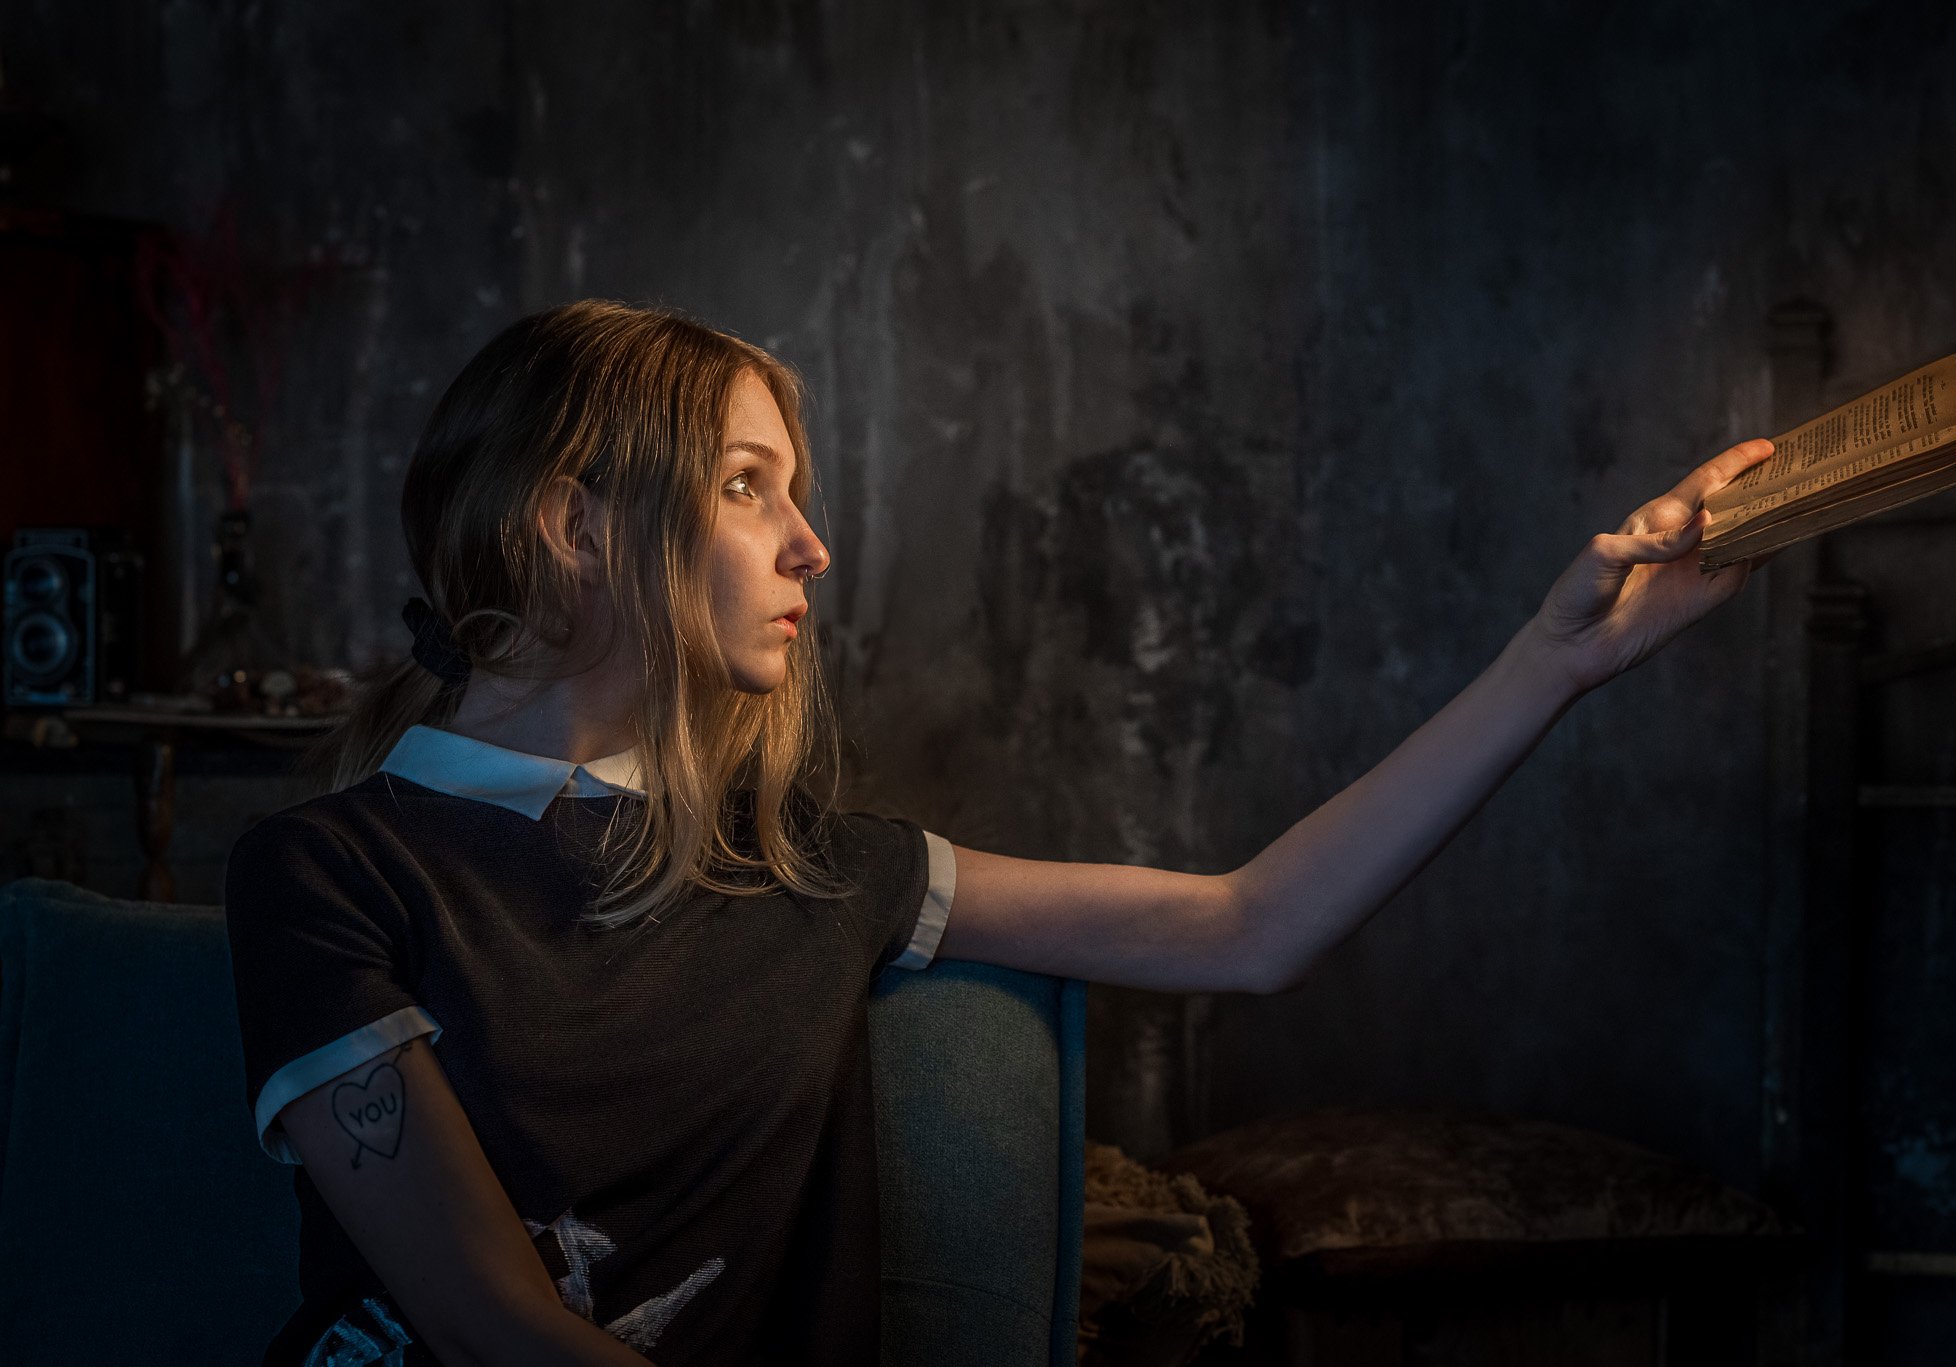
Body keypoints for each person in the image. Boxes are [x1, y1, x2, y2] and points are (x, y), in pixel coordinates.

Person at [223, 298, 1773, 1366]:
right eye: (749, 485)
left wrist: (1557, 659)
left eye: (798, 492)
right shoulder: (329, 873)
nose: (811, 545)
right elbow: (496, 1328)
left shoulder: (811, 872)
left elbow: (1253, 925)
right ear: (574, 523)